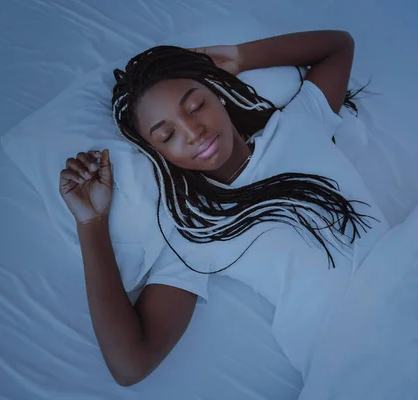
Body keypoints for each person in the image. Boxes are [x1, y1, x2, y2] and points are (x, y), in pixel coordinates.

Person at [59, 30, 389, 386]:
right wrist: (91, 224)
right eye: (166, 135)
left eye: (196, 105)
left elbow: (338, 46)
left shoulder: (299, 124)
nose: (193, 131)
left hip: (413, 282)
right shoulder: (198, 231)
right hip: (352, 352)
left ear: (218, 93)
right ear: (157, 154)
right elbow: (130, 365)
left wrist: (235, 58)